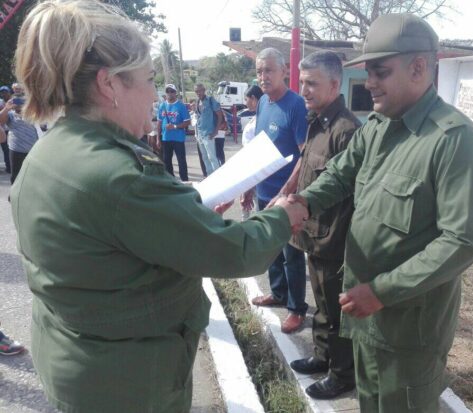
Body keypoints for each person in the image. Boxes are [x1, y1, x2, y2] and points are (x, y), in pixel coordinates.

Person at [10, 2, 308, 412]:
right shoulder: (119, 176)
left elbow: (113, 242)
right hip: (126, 383)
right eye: (149, 80)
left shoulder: (51, 152)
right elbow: (231, 251)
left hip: (76, 362)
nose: (155, 94)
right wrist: (282, 217)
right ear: (109, 84)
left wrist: (185, 213)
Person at [289, 13, 473, 412]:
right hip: (366, 316)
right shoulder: (380, 126)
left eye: (380, 72)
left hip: (407, 330)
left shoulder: (454, 141)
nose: (369, 84)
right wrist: (304, 202)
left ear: (418, 67)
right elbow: (341, 172)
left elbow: (463, 241)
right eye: (368, 72)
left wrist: (382, 292)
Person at [281, 51, 360, 399]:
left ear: (334, 84)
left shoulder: (347, 130)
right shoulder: (318, 120)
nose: (304, 90)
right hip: (314, 234)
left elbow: (347, 189)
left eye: (311, 83)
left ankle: (343, 375)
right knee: (322, 306)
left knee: (336, 308)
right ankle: (323, 356)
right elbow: (307, 165)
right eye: (302, 82)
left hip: (335, 238)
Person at [245, 47, 309, 334]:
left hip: (284, 196)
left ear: (285, 71)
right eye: (259, 71)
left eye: (269, 70)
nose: (263, 76)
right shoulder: (263, 104)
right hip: (263, 190)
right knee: (271, 249)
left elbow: (304, 155)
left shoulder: (296, 106)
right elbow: (259, 149)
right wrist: (249, 185)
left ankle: (296, 308)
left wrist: (285, 192)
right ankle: (278, 293)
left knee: (292, 254)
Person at [0, 94, 39, 184]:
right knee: (15, 175)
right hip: (16, 150)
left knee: (31, 175)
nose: (19, 104)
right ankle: (13, 195)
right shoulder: (10, 114)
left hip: (32, 150)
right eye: (16, 101)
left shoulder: (32, 113)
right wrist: (6, 108)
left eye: (21, 101)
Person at [156, 84, 190, 181]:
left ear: (175, 93)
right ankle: (171, 181)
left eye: (172, 91)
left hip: (178, 138)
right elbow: (159, 122)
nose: (170, 93)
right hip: (166, 138)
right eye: (168, 91)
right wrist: (158, 138)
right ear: (165, 93)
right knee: (167, 161)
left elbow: (187, 122)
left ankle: (185, 181)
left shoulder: (181, 106)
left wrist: (175, 126)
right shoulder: (162, 105)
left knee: (181, 161)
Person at [240, 85, 263, 220]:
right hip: (249, 165)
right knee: (248, 205)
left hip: (253, 166)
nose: (245, 102)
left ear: (254, 99)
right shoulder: (257, 117)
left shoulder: (260, 119)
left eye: (246, 99)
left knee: (251, 203)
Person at [194, 83, 223, 175]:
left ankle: (218, 178)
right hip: (200, 134)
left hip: (209, 133)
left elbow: (220, 116)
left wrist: (215, 131)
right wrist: (196, 134)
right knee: (205, 158)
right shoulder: (197, 102)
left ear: (204, 90)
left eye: (200, 90)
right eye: (196, 91)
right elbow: (198, 118)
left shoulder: (211, 100)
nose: (199, 93)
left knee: (212, 157)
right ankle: (210, 177)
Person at [0, 86, 12, 173]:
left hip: (8, 130)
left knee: (7, 149)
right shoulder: (0, 102)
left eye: (5, 92)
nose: (4, 94)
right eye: (2, 92)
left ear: (9, 92)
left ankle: (9, 167)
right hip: (1, 128)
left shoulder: (13, 101)